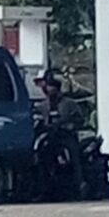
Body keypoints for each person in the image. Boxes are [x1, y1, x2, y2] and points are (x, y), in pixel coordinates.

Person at [34, 69, 87, 197]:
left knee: (74, 155)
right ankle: (44, 185)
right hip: (49, 137)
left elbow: (79, 119)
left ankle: (80, 183)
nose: (49, 90)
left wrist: (69, 125)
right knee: (41, 155)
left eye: (52, 87)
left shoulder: (69, 104)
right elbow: (37, 120)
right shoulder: (42, 106)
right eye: (48, 86)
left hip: (66, 136)